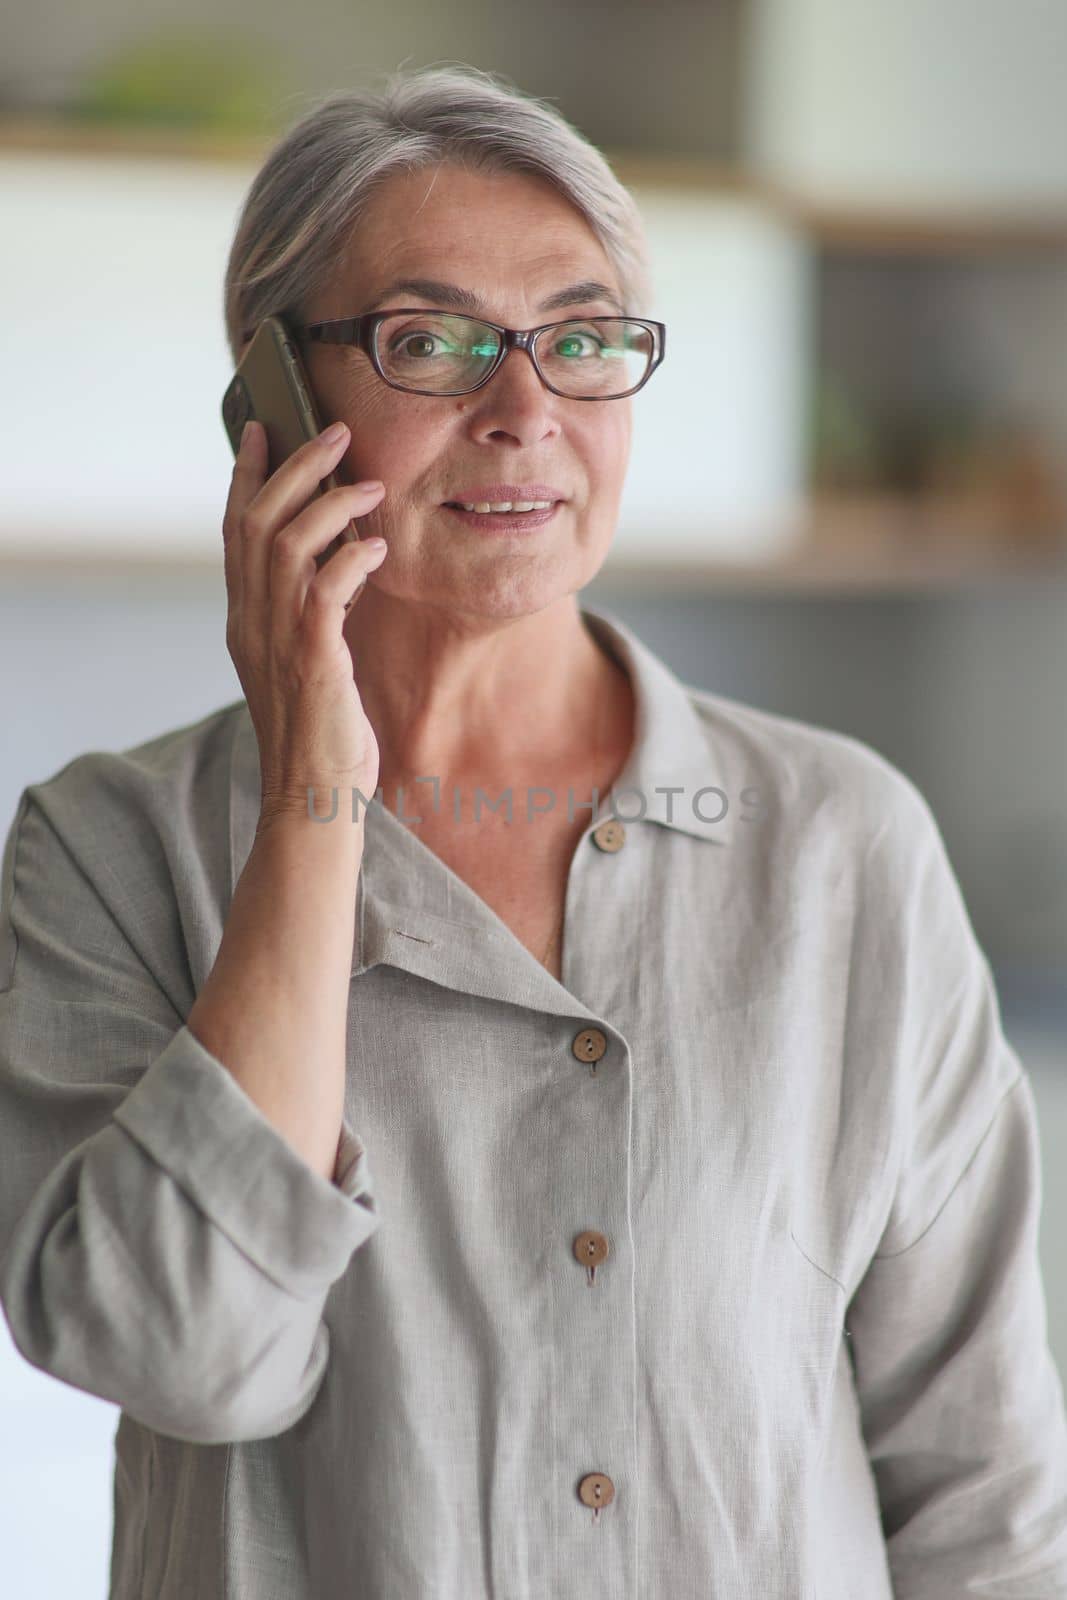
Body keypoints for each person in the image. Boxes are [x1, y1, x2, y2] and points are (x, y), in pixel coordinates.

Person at [2, 62, 1066, 1600]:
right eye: (429, 341)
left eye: (580, 341)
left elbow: (985, 1504)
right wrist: (311, 806)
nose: (524, 413)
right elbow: (188, 1354)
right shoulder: (109, 853)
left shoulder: (844, 848)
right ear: (273, 398)